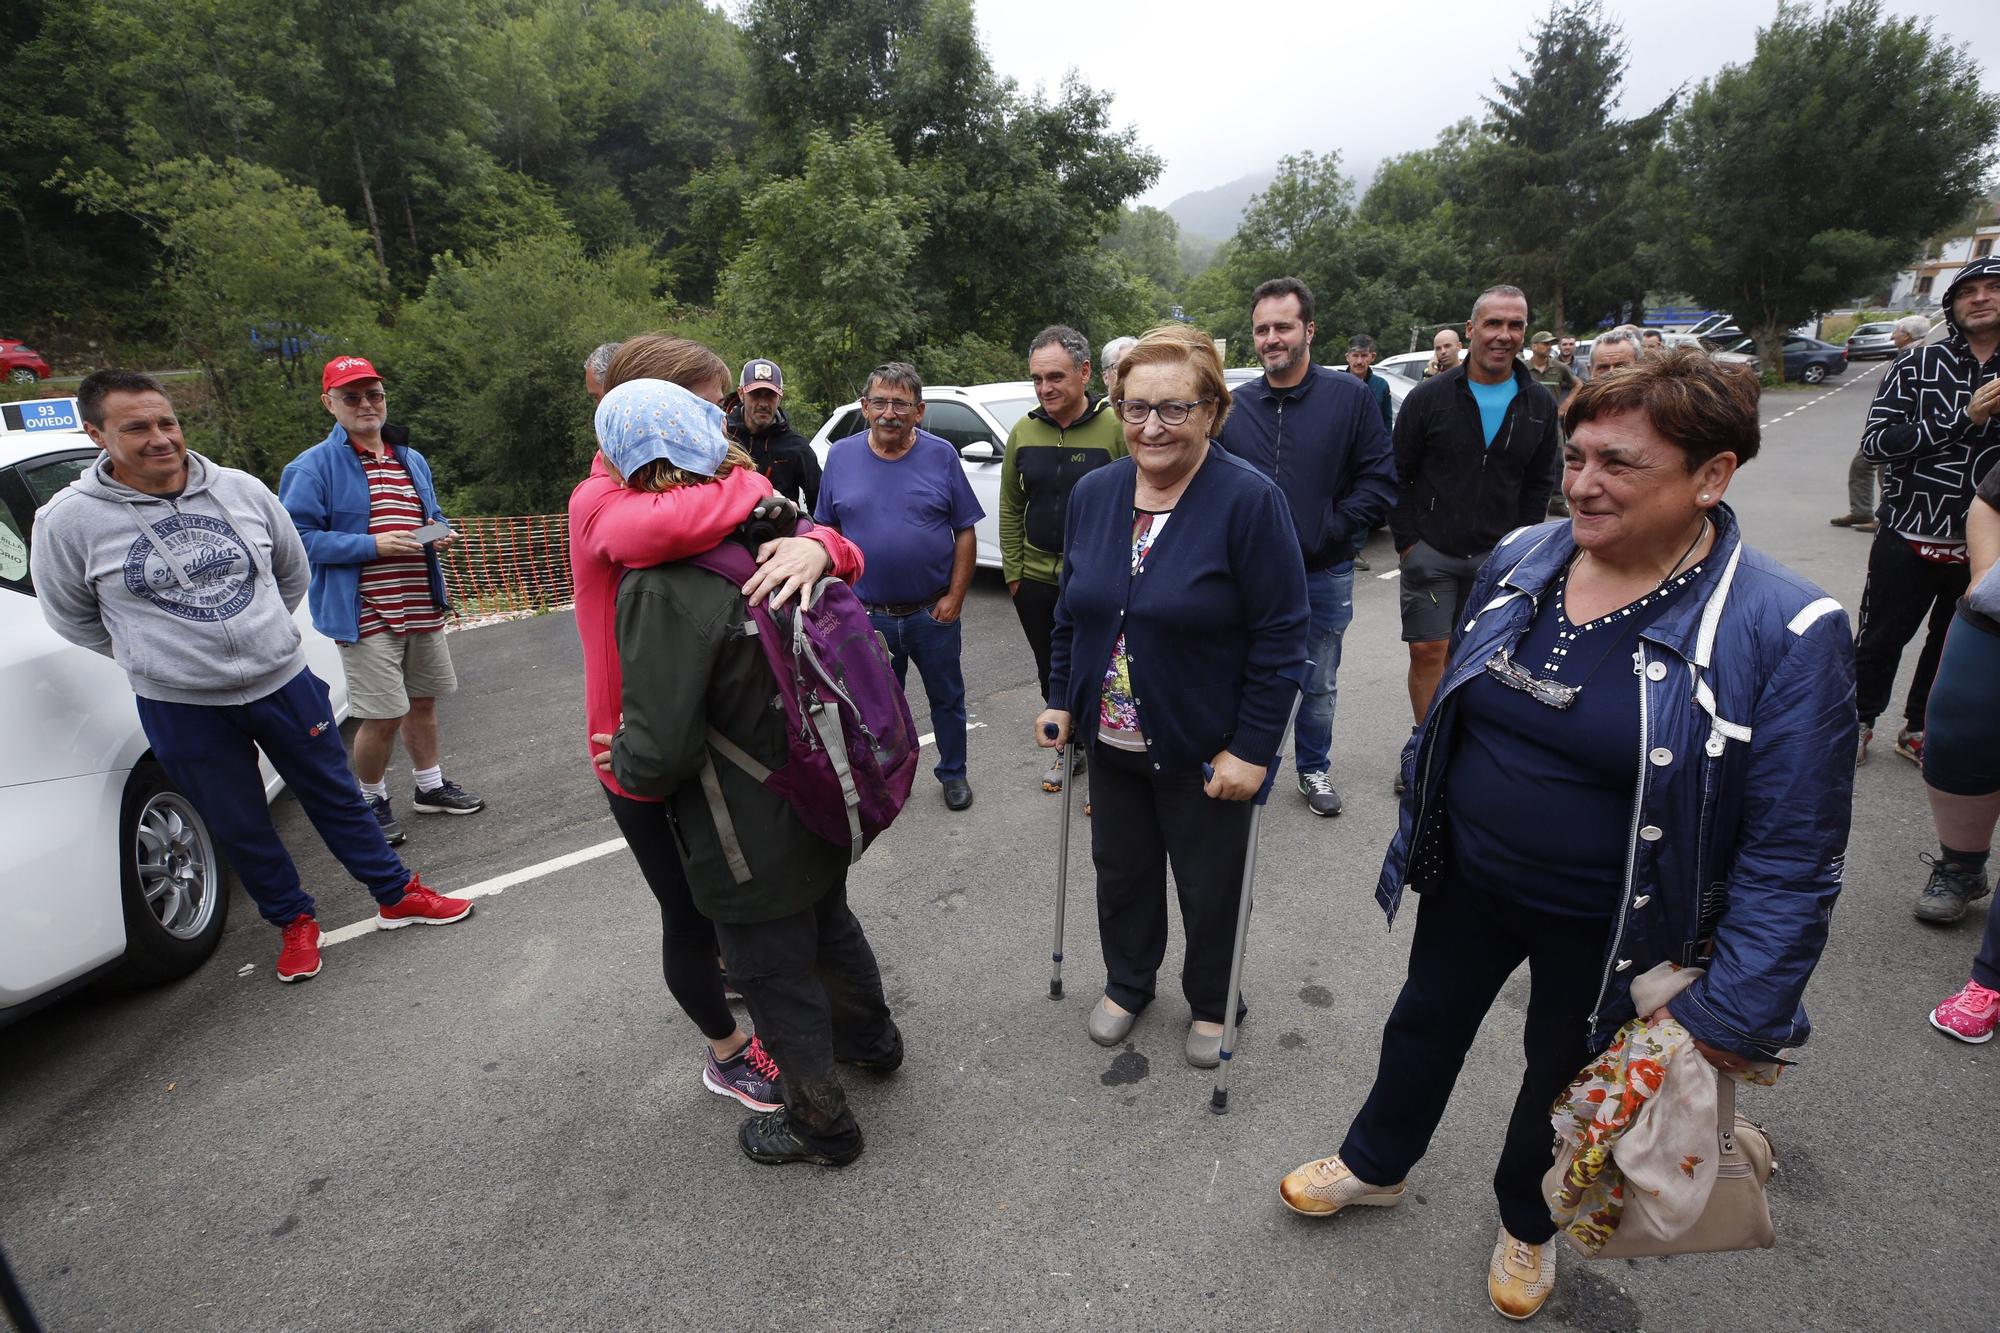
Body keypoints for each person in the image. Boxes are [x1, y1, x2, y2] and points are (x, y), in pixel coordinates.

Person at [1279, 349, 1853, 1321]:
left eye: (1617, 463)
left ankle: (1529, 1218)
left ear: (1710, 476)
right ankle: (1376, 1161)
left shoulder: (1784, 628)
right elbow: (1458, 710)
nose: (1581, 483)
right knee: (1422, 1019)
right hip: (1470, 874)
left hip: (1615, 917)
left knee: (1558, 1071)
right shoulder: (1522, 554)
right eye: (1575, 454)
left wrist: (1729, 1019)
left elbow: (1793, 856)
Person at [32, 371, 473, 984]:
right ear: (96, 433)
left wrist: (262, 637)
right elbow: (73, 617)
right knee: (238, 820)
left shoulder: (239, 489)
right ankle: (294, 922)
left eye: (167, 422)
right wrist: (160, 658)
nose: (160, 438)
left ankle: (396, 894)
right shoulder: (69, 522)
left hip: (281, 679)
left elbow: (290, 572)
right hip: (180, 703)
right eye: (136, 427)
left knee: (336, 796)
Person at [598, 378, 901, 1167]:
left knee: (771, 970)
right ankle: (873, 1041)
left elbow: (659, 749)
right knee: (831, 924)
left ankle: (821, 1122)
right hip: (817, 784)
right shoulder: (770, 526)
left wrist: (619, 756)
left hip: (739, 822)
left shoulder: (660, 583)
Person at [1036, 324, 1307, 1069]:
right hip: (1112, 743)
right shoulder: (1095, 494)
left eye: (1173, 409)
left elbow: (1284, 638)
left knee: (1210, 885)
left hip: (1205, 749)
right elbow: (1072, 612)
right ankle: (1129, 982)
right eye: (1135, 407)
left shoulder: (1249, 501)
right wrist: (1061, 698)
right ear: (1117, 407)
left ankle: (1216, 1000)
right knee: (1120, 875)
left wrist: (1253, 748)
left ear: (1212, 411)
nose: (1150, 426)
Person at [280, 357, 484, 851]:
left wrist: (438, 533)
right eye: (352, 397)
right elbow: (297, 540)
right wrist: (374, 545)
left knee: (424, 702)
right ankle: (370, 800)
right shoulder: (310, 467)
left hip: (420, 601)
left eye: (374, 394)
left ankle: (430, 787)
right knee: (383, 714)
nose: (366, 405)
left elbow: (431, 518)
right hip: (365, 610)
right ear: (329, 403)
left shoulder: (409, 457)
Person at [1221, 278, 1394, 818]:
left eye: (1283, 326)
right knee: (1236, 673)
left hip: (1322, 571)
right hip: (1243, 578)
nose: (1272, 338)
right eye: (1262, 329)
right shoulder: (1235, 407)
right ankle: (1237, 763)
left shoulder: (1350, 398)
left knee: (1316, 682)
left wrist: (1331, 528)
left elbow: (1380, 479)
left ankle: (1312, 768)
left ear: (1309, 330)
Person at [1390, 285, 1561, 734]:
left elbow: (1540, 483)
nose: (1504, 335)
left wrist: (1523, 549)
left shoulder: (1539, 403)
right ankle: (1423, 747)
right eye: (1493, 323)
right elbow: (1399, 474)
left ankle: (1462, 748)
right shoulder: (1429, 398)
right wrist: (1409, 544)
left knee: (1481, 656)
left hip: (1499, 559)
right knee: (1428, 651)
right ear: (1472, 329)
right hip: (1432, 552)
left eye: (1515, 325)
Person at [815, 362, 984, 811]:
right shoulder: (841, 456)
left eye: (901, 404)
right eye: (880, 402)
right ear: (865, 407)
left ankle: (953, 774)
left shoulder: (941, 454)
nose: (889, 413)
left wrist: (955, 597)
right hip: (865, 614)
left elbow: (964, 529)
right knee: (875, 705)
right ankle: (886, 777)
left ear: (919, 411)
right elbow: (825, 531)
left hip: (931, 612)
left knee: (947, 698)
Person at [1855, 258, 2000, 767]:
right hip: (1907, 530)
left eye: (1993, 288)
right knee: (1881, 635)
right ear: (1952, 305)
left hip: (1988, 542)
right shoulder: (1915, 365)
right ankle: (1859, 720)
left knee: (1951, 644)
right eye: (1968, 291)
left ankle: (1919, 728)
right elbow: (1877, 444)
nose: (1980, 297)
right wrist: (1964, 418)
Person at [1001, 325, 1126, 794]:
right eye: (1037, 378)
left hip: (1097, 580)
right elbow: (1012, 505)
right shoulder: (1024, 430)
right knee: (1050, 671)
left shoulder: (1116, 427)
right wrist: (1014, 572)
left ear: (1085, 372)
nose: (1045, 388)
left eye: (1055, 376)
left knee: (1100, 669)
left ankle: (1101, 763)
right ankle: (1066, 749)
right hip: (1035, 580)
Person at [1925, 459, 2000, 1034]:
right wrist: (1986, 575)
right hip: (1993, 623)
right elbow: (1989, 501)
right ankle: (1962, 868)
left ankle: (1989, 978)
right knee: (1954, 751)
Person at [1830, 314, 1930, 531]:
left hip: (1902, 429)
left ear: (1907, 335)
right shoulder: (1907, 354)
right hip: (1887, 426)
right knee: (1862, 465)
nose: (1893, 336)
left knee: (1888, 471)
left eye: (1896, 332)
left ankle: (1887, 518)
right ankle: (1861, 512)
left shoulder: (1919, 356)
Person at [724, 357, 821, 511]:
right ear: (741, 394)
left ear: (780, 397)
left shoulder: (797, 447)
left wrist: (807, 530)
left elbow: (820, 505)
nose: (763, 403)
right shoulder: (721, 438)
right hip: (726, 531)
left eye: (770, 395)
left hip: (780, 532)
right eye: (755, 394)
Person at [1527, 331, 1582, 518]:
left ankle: (1557, 502)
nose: (1549, 347)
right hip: (1527, 421)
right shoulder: (1523, 368)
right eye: (1545, 344)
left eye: (1550, 344)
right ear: (1534, 346)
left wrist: (1566, 405)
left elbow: (1578, 384)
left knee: (1558, 460)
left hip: (1551, 422)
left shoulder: (1559, 368)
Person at [1344, 333, 1394, 431]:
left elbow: (1386, 422)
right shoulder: (1337, 384)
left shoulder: (1381, 386)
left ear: (1373, 357)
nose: (1359, 361)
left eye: (1364, 356)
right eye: (1355, 355)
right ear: (1347, 357)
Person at [1101, 335, 1139, 400]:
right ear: (1106, 377)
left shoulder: (1154, 407)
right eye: (1119, 367)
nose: (1128, 373)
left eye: (1134, 366)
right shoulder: (1097, 409)